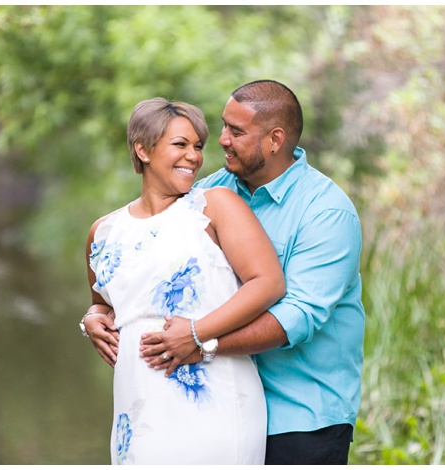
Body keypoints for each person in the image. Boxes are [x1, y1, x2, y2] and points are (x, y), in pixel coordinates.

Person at [89, 80, 366, 465]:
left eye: (236, 132)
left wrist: (203, 341)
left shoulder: (326, 212)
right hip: (209, 398)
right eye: (222, 127)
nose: (220, 141)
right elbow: (151, 261)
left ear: (275, 139)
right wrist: (97, 312)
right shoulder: (208, 192)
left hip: (300, 412)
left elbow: (298, 316)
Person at [81, 97, 285, 465]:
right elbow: (107, 302)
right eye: (180, 145)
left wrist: (196, 332)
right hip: (138, 406)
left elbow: (267, 283)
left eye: (197, 147)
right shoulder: (104, 232)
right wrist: (92, 319)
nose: (193, 156)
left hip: (213, 396)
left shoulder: (214, 206)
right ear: (142, 149)